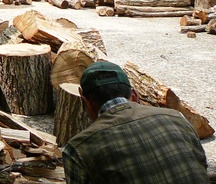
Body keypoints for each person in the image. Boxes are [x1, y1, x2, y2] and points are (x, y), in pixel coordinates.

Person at [62, 61, 209, 184]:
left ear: (87, 102)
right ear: (135, 95)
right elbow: (201, 167)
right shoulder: (177, 118)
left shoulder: (78, 148)